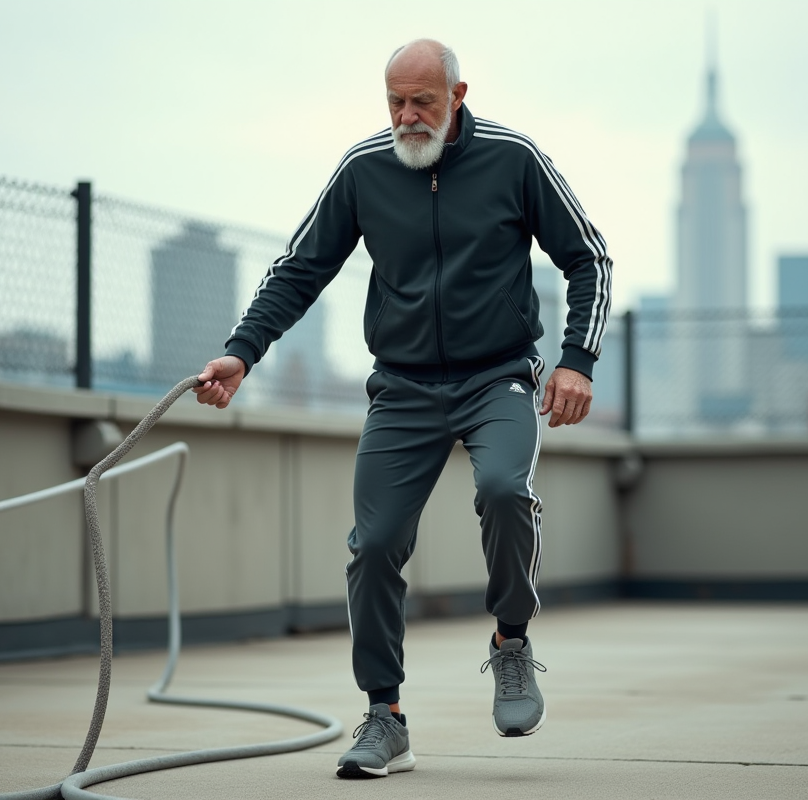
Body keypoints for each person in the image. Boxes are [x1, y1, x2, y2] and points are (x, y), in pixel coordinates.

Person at [193, 38, 612, 779]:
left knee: (505, 491)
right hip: (405, 388)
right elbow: (300, 269)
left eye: (423, 100)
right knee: (375, 544)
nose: (407, 116)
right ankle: (384, 718)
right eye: (395, 101)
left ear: (458, 95)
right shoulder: (365, 168)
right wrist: (241, 352)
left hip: (498, 377)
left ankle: (511, 642)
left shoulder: (514, 160)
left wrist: (577, 361)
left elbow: (589, 257)